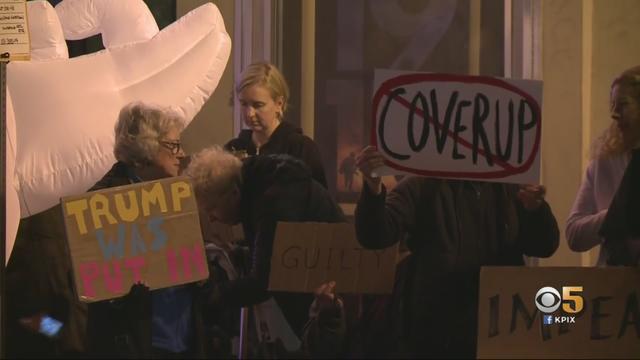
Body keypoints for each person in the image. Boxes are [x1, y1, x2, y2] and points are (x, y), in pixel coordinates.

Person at [354, 146, 560, 358]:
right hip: (436, 331)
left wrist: (536, 210)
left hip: (498, 327)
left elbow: (545, 246)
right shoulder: (423, 183)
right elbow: (375, 236)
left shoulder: (512, 187)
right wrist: (373, 186)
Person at [185, 147, 344, 357]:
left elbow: (265, 280)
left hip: (328, 300)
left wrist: (215, 296)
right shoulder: (266, 186)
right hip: (323, 293)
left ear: (233, 194)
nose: (212, 218)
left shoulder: (273, 202)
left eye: (212, 208)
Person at [85, 102, 210, 358]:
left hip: (184, 337)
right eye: (173, 145)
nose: (181, 153)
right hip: (135, 344)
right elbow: (90, 284)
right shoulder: (101, 202)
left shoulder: (183, 193)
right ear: (145, 148)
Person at [566, 65, 640, 265]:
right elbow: (573, 234)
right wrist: (614, 216)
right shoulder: (603, 164)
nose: (614, 114)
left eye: (623, 104)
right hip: (613, 288)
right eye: (612, 105)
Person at [225, 62, 328, 188]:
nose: (250, 113)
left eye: (258, 105)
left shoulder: (301, 149)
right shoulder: (233, 148)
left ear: (279, 103)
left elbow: (319, 203)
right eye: (244, 104)